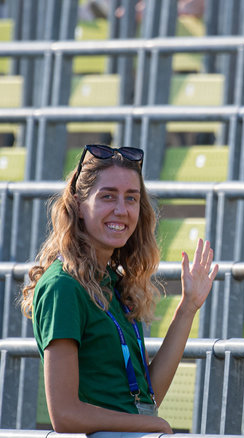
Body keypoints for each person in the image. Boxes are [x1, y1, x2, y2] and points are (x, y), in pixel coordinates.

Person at [20, 144, 219, 433]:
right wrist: (151, 424)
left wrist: (188, 307)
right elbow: (64, 415)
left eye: (132, 198)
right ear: (78, 205)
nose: (122, 210)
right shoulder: (62, 287)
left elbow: (145, 399)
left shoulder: (112, 281)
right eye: (108, 197)